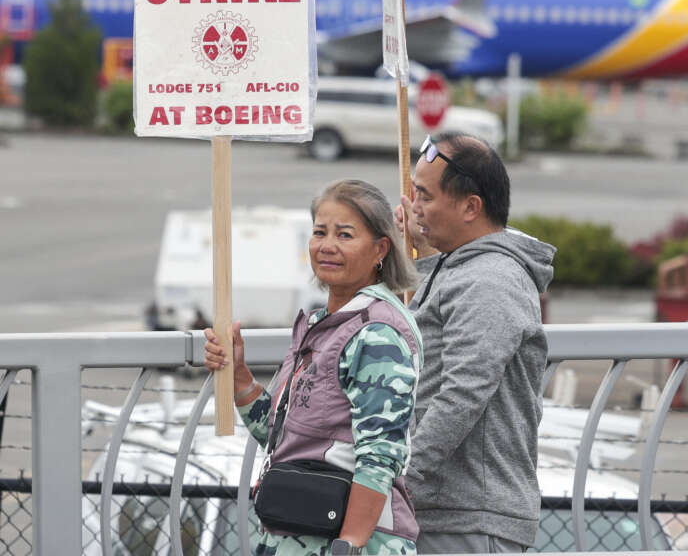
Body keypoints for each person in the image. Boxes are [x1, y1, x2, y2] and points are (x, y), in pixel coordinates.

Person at [204, 179, 422, 556]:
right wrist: (238, 373)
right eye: (320, 232)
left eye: (345, 234)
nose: (327, 246)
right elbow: (284, 438)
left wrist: (348, 545)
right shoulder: (323, 323)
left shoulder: (377, 332)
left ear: (380, 249)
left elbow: (380, 454)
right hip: (295, 536)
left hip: (347, 544)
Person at [394, 132, 555, 554]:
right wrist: (426, 249)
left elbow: (463, 393)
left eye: (424, 196)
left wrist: (396, 478)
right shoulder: (463, 270)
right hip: (447, 512)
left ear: (470, 206)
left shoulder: (490, 280)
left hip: (469, 519)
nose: (414, 207)